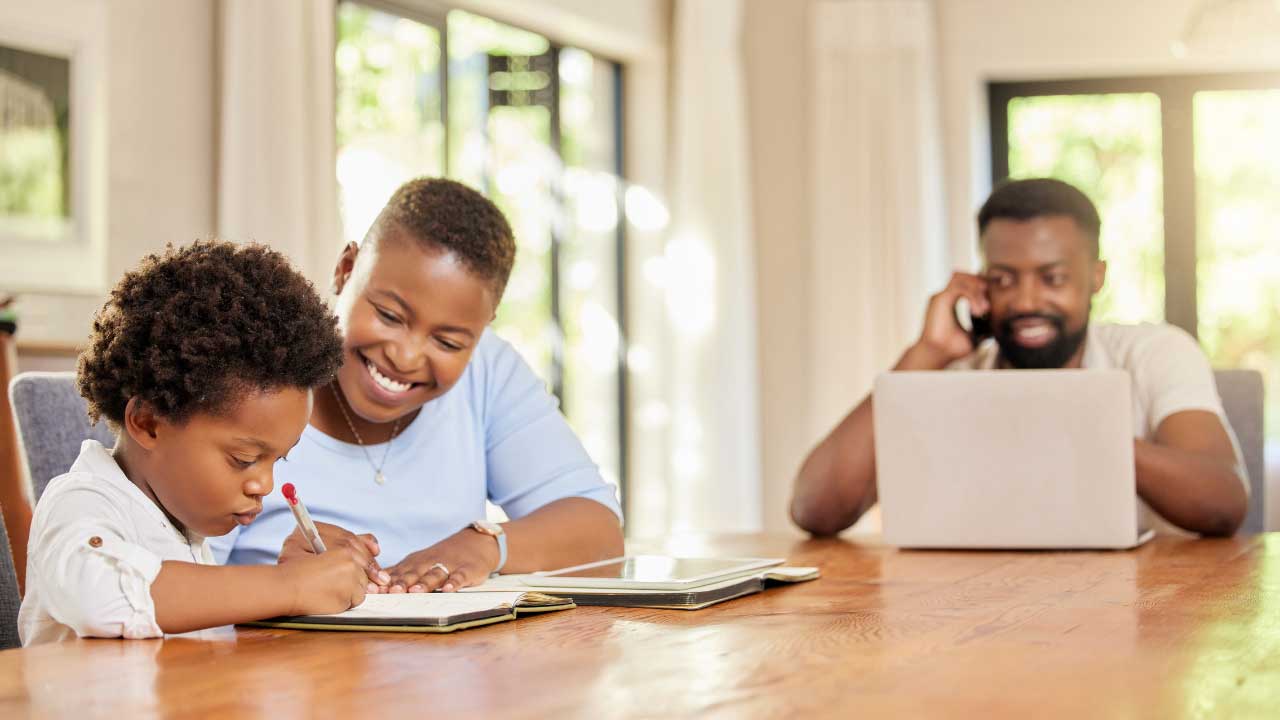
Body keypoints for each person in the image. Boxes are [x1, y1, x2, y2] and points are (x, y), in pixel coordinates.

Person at [210, 178, 624, 592]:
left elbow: (600, 536)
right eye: (389, 315)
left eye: (448, 342)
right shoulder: (254, 373)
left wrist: (484, 546)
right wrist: (284, 584)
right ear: (345, 270)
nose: (405, 358)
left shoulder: (488, 369)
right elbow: (167, 583)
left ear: (480, 331)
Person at [791, 178, 1248, 538]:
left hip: (1144, 609)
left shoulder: (1154, 353)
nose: (1027, 300)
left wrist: (1073, 421)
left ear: (1095, 277)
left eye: (1052, 278)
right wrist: (926, 353)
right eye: (1004, 279)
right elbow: (816, 510)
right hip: (982, 608)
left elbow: (1223, 503)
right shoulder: (952, 371)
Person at [20, 241, 380, 645]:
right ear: (148, 422)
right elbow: (101, 595)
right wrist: (287, 585)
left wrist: (295, 575)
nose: (265, 485)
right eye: (244, 459)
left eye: (278, 460)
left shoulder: (182, 525)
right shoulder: (81, 501)